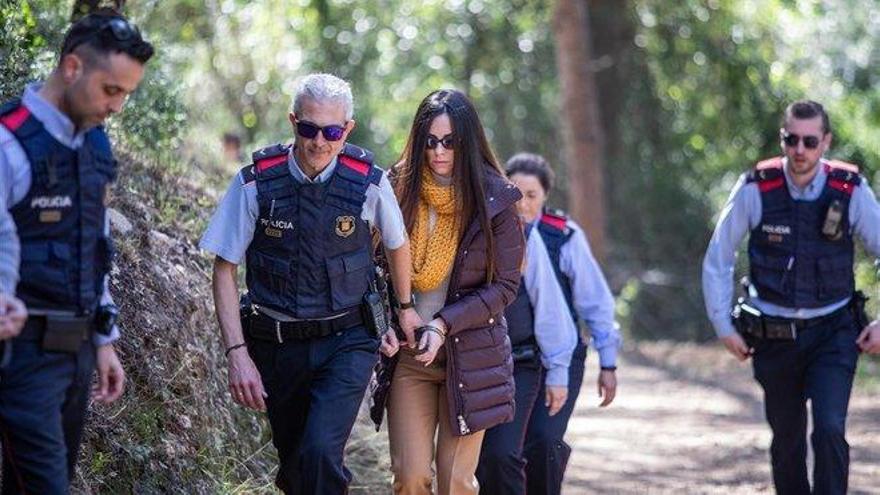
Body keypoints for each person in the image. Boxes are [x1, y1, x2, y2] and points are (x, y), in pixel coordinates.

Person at [200, 73, 419, 494]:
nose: (320, 141)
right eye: (309, 129)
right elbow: (224, 268)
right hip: (277, 345)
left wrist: (404, 308)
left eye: (332, 132)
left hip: (348, 340)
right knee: (296, 466)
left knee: (320, 452)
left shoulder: (369, 182)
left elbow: (397, 244)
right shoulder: (255, 183)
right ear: (292, 121)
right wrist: (237, 353)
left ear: (347, 129)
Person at [0, 12, 153, 493]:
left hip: (78, 349)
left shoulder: (95, 144)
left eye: (128, 94)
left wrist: (104, 338)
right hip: (18, 352)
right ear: (71, 68)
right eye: (111, 90)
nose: (119, 106)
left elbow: (94, 246)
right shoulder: (9, 141)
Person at [702, 100, 880, 495]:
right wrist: (722, 324)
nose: (800, 150)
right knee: (787, 441)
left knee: (830, 430)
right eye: (791, 139)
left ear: (826, 142)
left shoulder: (849, 189)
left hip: (834, 332)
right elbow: (719, 256)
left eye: (810, 141)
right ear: (783, 138)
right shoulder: (756, 186)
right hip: (774, 336)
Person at [374, 89, 526, 495]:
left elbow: (506, 286)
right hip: (410, 358)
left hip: (471, 358)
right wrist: (385, 321)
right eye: (430, 141)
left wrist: (443, 323)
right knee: (409, 478)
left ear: (468, 142)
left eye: (450, 142)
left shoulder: (496, 200)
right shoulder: (396, 188)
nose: (439, 152)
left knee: (455, 482)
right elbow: (372, 269)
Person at [505, 153, 621, 495]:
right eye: (516, 193)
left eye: (532, 195)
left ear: (545, 197)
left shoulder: (564, 236)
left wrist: (608, 362)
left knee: (544, 440)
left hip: (561, 357)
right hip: (511, 357)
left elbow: (596, 303)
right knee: (505, 447)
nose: (523, 204)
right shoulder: (494, 232)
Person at [475, 208, 578, 493]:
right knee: (475, 462)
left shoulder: (526, 235)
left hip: (519, 362)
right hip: (467, 362)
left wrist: (558, 371)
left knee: (503, 454)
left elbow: (550, 311)